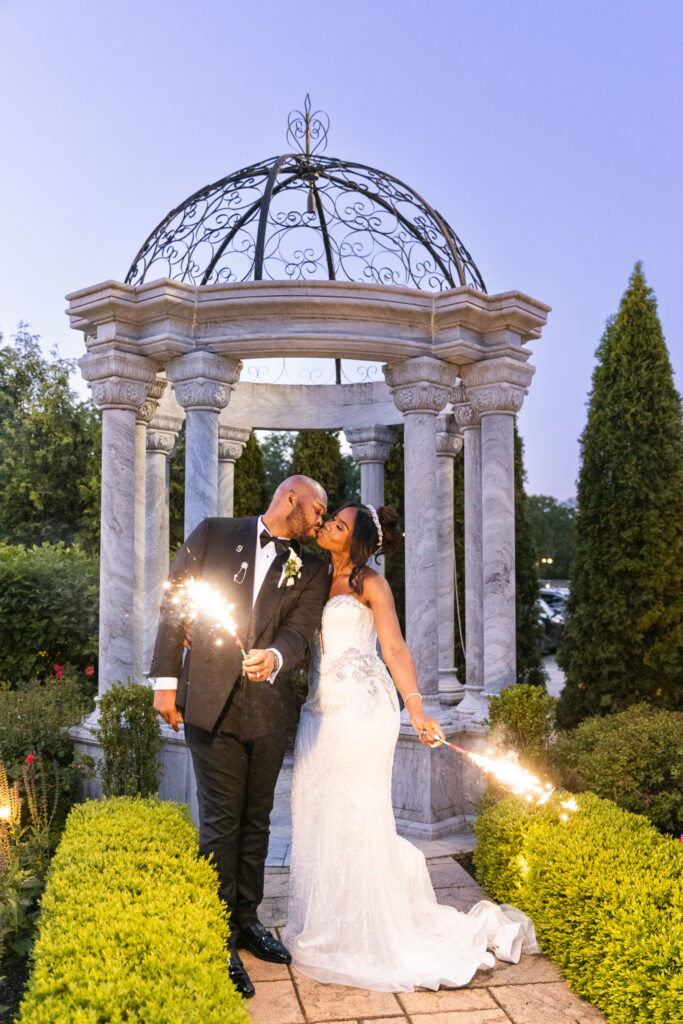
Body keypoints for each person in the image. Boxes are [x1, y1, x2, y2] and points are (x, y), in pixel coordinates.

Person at [282, 503, 538, 992]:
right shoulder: (312, 573)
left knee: (356, 810)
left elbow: (394, 647)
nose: (329, 525)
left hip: (362, 709)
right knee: (318, 807)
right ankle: (330, 921)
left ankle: (365, 927)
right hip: (319, 709)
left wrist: (415, 708)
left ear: (355, 541)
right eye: (331, 519)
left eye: (338, 524)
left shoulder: (371, 584)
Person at [149, 476, 330, 999]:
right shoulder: (213, 533)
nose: (319, 522)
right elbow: (176, 604)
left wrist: (275, 657)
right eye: (316, 511)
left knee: (257, 822)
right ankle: (217, 933)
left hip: (270, 713)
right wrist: (165, 683)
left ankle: (248, 922)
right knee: (221, 824)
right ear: (290, 498)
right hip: (210, 704)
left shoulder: (311, 568)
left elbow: (299, 631)